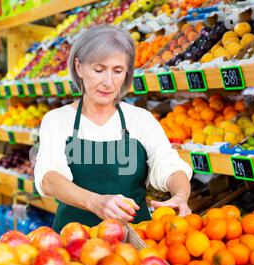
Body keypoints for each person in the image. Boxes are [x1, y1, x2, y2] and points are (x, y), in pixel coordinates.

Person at [34, 25, 193, 233]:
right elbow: (48, 178)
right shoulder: (57, 120)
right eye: (99, 70)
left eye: (117, 71)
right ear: (79, 67)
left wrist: (181, 195)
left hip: (134, 242)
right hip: (73, 241)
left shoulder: (141, 120)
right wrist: (94, 202)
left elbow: (168, 164)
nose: (108, 82)